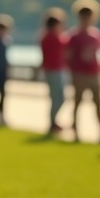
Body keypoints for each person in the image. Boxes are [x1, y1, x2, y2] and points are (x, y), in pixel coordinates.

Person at [65, 0, 100, 144]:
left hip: (94, 73)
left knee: (98, 104)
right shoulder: (73, 36)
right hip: (79, 74)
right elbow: (68, 56)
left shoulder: (96, 35)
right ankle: (75, 132)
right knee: (77, 103)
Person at [38, 7, 69, 135]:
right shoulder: (53, 38)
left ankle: (53, 122)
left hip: (52, 70)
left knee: (56, 98)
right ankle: (52, 123)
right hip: (54, 70)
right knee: (59, 98)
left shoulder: (45, 37)